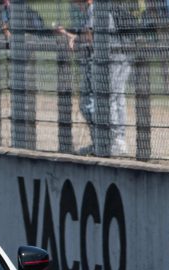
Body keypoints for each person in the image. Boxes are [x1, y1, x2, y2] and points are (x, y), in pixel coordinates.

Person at [59, 0, 134, 156]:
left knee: (108, 99)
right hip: (108, 60)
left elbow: (91, 36)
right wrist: (71, 35)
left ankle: (114, 142)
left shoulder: (97, 8)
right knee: (101, 101)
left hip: (113, 60)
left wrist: (75, 39)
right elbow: (88, 34)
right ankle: (103, 142)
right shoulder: (89, 10)